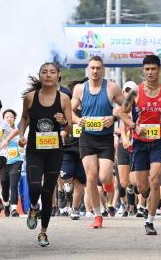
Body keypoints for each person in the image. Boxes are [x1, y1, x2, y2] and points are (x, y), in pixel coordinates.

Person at [117, 54, 161, 235]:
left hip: (158, 140)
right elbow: (122, 113)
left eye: (153, 69)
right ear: (143, 71)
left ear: (159, 70)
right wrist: (134, 125)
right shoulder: (136, 92)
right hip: (140, 143)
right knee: (143, 188)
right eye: (147, 69)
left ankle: (150, 222)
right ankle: (144, 197)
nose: (150, 72)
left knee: (156, 179)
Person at [18, 62, 72, 247]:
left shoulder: (64, 98)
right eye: (44, 72)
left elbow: (70, 127)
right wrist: (21, 135)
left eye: (52, 72)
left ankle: (43, 232)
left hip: (55, 151)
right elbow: (24, 118)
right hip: (34, 150)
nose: (48, 75)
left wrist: (63, 120)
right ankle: (34, 207)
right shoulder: (30, 97)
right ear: (40, 76)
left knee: (48, 191)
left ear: (58, 76)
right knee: (34, 188)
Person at [71, 56, 124, 228]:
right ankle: (98, 215)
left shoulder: (111, 87)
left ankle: (109, 185)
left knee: (104, 177)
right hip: (87, 138)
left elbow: (127, 105)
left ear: (103, 69)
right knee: (91, 177)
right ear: (88, 69)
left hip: (105, 138)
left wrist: (113, 116)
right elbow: (69, 111)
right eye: (92, 68)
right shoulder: (80, 89)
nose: (95, 71)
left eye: (98, 68)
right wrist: (77, 120)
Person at [59, 79, 87, 220]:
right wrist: (63, 134)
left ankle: (75, 209)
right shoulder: (66, 110)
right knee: (67, 177)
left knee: (80, 181)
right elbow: (63, 127)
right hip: (68, 149)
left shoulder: (91, 109)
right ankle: (64, 191)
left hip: (85, 148)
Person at [115, 81, 139, 217]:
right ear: (123, 93)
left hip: (138, 145)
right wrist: (124, 137)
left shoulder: (140, 107)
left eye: (132, 91)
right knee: (124, 182)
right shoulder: (119, 109)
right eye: (126, 91)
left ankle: (136, 206)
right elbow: (122, 124)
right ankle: (130, 205)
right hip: (123, 146)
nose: (129, 94)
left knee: (136, 180)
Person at [1, 109, 24, 217]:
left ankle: (14, 209)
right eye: (7, 117)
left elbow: (22, 146)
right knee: (4, 186)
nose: (9, 118)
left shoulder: (19, 130)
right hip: (3, 162)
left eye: (11, 117)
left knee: (14, 185)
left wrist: (22, 145)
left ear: (15, 118)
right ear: (3, 119)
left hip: (16, 161)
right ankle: (6, 205)